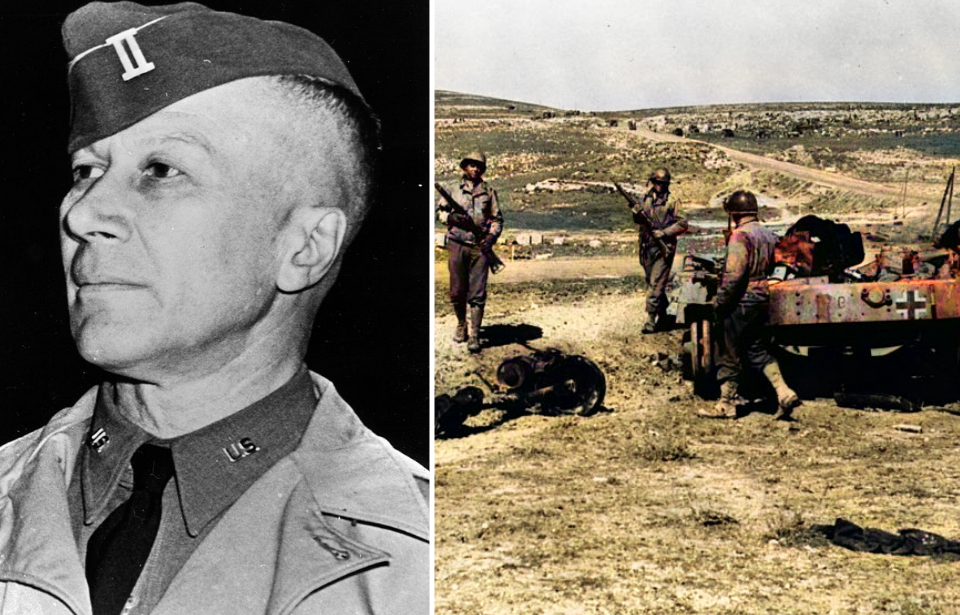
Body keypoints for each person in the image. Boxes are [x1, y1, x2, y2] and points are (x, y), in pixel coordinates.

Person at [0, 3, 429, 614]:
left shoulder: (417, 564)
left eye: (160, 170)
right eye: (86, 169)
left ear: (304, 248)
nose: (82, 213)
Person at [698, 190, 801, 420]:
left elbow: (735, 274)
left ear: (734, 213)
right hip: (763, 297)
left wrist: (720, 302)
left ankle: (726, 404)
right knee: (757, 349)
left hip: (741, 300)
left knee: (730, 352)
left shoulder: (740, 236)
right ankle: (784, 392)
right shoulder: (767, 234)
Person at [437, 151, 504, 353]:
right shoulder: (453, 190)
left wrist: (491, 237)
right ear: (465, 167)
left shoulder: (489, 192)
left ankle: (475, 334)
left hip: (479, 247)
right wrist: (452, 219)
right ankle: (461, 325)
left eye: (478, 166)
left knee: (477, 292)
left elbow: (497, 220)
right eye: (471, 165)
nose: (475, 169)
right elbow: (440, 212)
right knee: (457, 291)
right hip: (457, 244)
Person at [632, 167, 688, 333]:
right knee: (653, 283)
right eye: (657, 183)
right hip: (646, 247)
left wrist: (664, 233)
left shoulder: (673, 201)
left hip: (664, 248)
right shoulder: (644, 199)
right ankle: (664, 314)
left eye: (663, 184)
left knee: (655, 285)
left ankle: (650, 320)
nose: (660, 186)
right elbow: (638, 220)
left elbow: (683, 223)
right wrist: (635, 214)